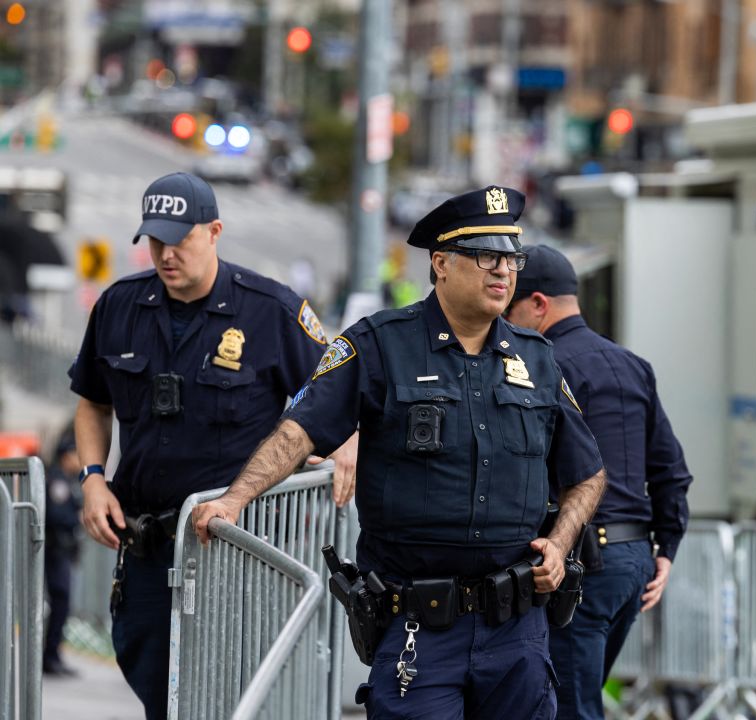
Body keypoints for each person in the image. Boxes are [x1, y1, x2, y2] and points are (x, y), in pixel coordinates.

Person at [191, 186, 608, 719]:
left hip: (516, 632)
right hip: (420, 627)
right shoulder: (379, 345)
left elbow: (588, 474)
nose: (503, 271)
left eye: (510, 258)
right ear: (440, 263)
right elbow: (301, 430)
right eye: (486, 256)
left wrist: (559, 541)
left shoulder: (539, 360)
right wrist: (235, 499)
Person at [69, 171, 356, 719]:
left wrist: (351, 443)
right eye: (155, 241)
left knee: (232, 698)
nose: (166, 254)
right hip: (150, 546)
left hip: (237, 553)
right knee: (159, 689)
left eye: (180, 239)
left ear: (215, 231)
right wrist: (92, 478)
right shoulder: (120, 306)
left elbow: (339, 391)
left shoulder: (270, 309)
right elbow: (92, 401)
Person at [504, 245, 693, 720]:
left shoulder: (543, 367)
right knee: (574, 698)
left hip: (582, 561)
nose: (504, 323)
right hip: (632, 561)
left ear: (539, 304)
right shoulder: (632, 364)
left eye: (512, 309)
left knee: (569, 708)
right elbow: (671, 468)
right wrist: (665, 548)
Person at [44, 424, 82, 677]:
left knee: (62, 604)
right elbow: (56, 515)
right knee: (59, 601)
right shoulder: (57, 480)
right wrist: (77, 516)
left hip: (61, 551)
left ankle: (53, 654)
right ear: (66, 455)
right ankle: (49, 656)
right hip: (54, 549)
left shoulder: (68, 481)